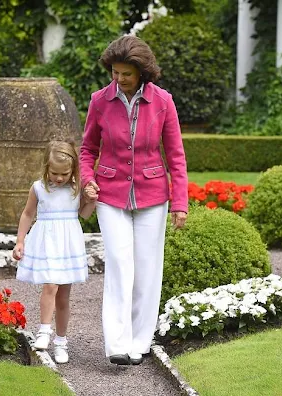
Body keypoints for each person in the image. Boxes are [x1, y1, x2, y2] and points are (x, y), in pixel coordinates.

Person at [80, 35, 188, 366]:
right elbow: (87, 150)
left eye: (125, 73)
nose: (119, 79)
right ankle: (117, 343)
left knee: (147, 268)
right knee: (119, 263)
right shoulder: (100, 101)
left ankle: (140, 342)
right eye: (115, 72)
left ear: (142, 71)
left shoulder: (163, 101)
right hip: (110, 195)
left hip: (153, 196)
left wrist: (179, 202)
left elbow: (176, 156)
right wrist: (87, 180)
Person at [13, 140, 97, 364]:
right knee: (50, 285)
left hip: (67, 245)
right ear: (46, 168)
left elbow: (85, 214)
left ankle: (61, 342)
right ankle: (43, 331)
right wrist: (20, 241)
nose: (59, 178)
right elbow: (27, 214)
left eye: (65, 173)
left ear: (73, 170)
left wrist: (91, 201)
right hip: (47, 242)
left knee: (64, 296)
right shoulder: (39, 187)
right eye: (55, 173)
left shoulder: (75, 188)